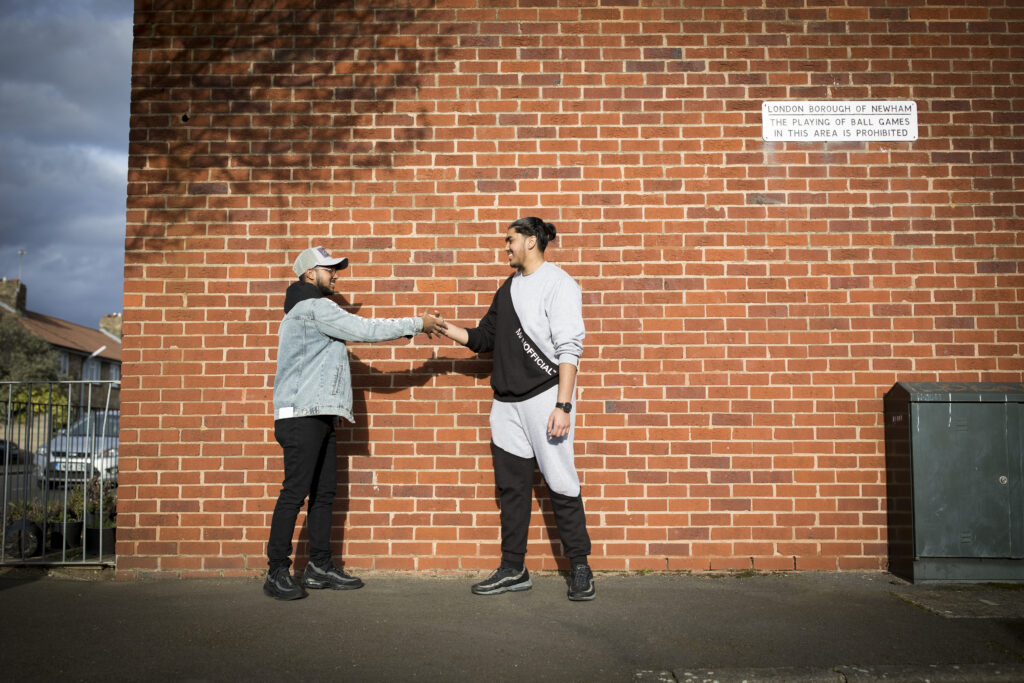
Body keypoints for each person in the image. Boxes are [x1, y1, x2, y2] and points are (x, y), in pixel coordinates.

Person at [264, 245, 443, 600]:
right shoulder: (314, 307)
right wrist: (416, 324)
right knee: (295, 493)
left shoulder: (303, 311)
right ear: (309, 274)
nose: (335, 274)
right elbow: (366, 329)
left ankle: (318, 566)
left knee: (324, 493)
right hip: (303, 416)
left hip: (318, 414)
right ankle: (276, 570)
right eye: (328, 269)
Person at [437, 217, 595, 601]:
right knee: (512, 489)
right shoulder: (507, 289)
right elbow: (481, 339)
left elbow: (569, 347)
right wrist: (443, 329)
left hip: (545, 398)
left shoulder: (559, 283)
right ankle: (513, 568)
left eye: (510, 240)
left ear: (530, 241)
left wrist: (563, 404)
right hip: (505, 405)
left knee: (561, 482)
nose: (505, 247)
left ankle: (580, 567)